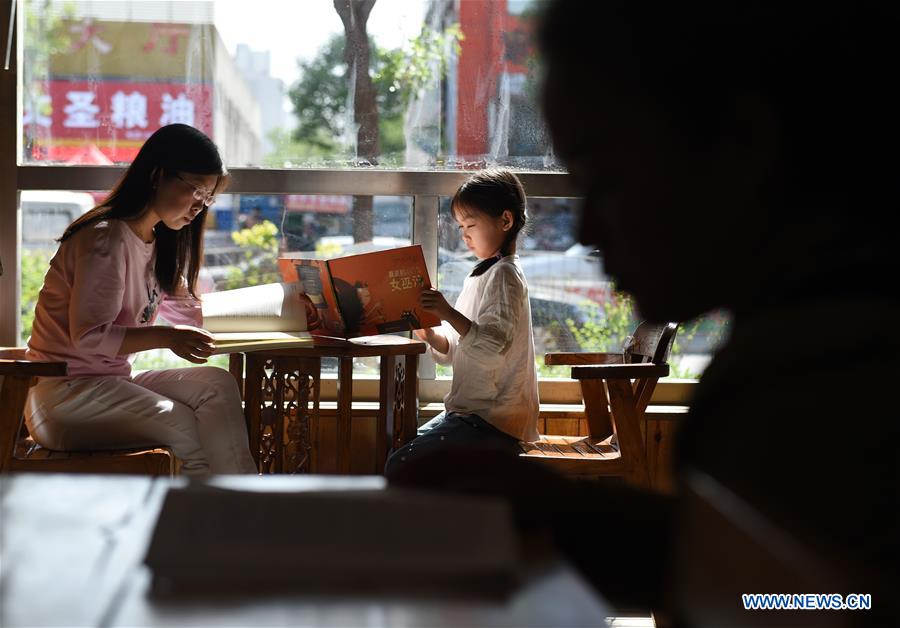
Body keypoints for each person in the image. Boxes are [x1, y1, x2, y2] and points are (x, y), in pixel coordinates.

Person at [391, 2, 900, 623]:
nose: (587, 224)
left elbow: (825, 603)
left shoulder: (817, 398)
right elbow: (792, 589)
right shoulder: (808, 349)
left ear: (742, 144)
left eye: (608, 174)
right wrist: (597, 530)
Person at [24, 124, 257, 475]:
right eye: (195, 190)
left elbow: (193, 313)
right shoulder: (107, 240)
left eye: (207, 198)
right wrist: (168, 337)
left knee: (217, 384)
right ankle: (209, 520)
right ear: (158, 176)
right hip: (64, 396)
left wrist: (283, 314)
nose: (198, 207)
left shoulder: (156, 241)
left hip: (109, 384)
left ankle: (241, 501)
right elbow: (89, 338)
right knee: (181, 423)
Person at [384, 168, 540, 480]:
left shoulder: (506, 275)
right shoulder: (483, 273)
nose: (464, 234)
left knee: (400, 465)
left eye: (471, 225)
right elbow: (460, 345)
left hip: (495, 420)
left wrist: (446, 312)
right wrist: (430, 332)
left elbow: (492, 347)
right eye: (460, 227)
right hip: (473, 415)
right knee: (402, 452)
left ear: (506, 221)